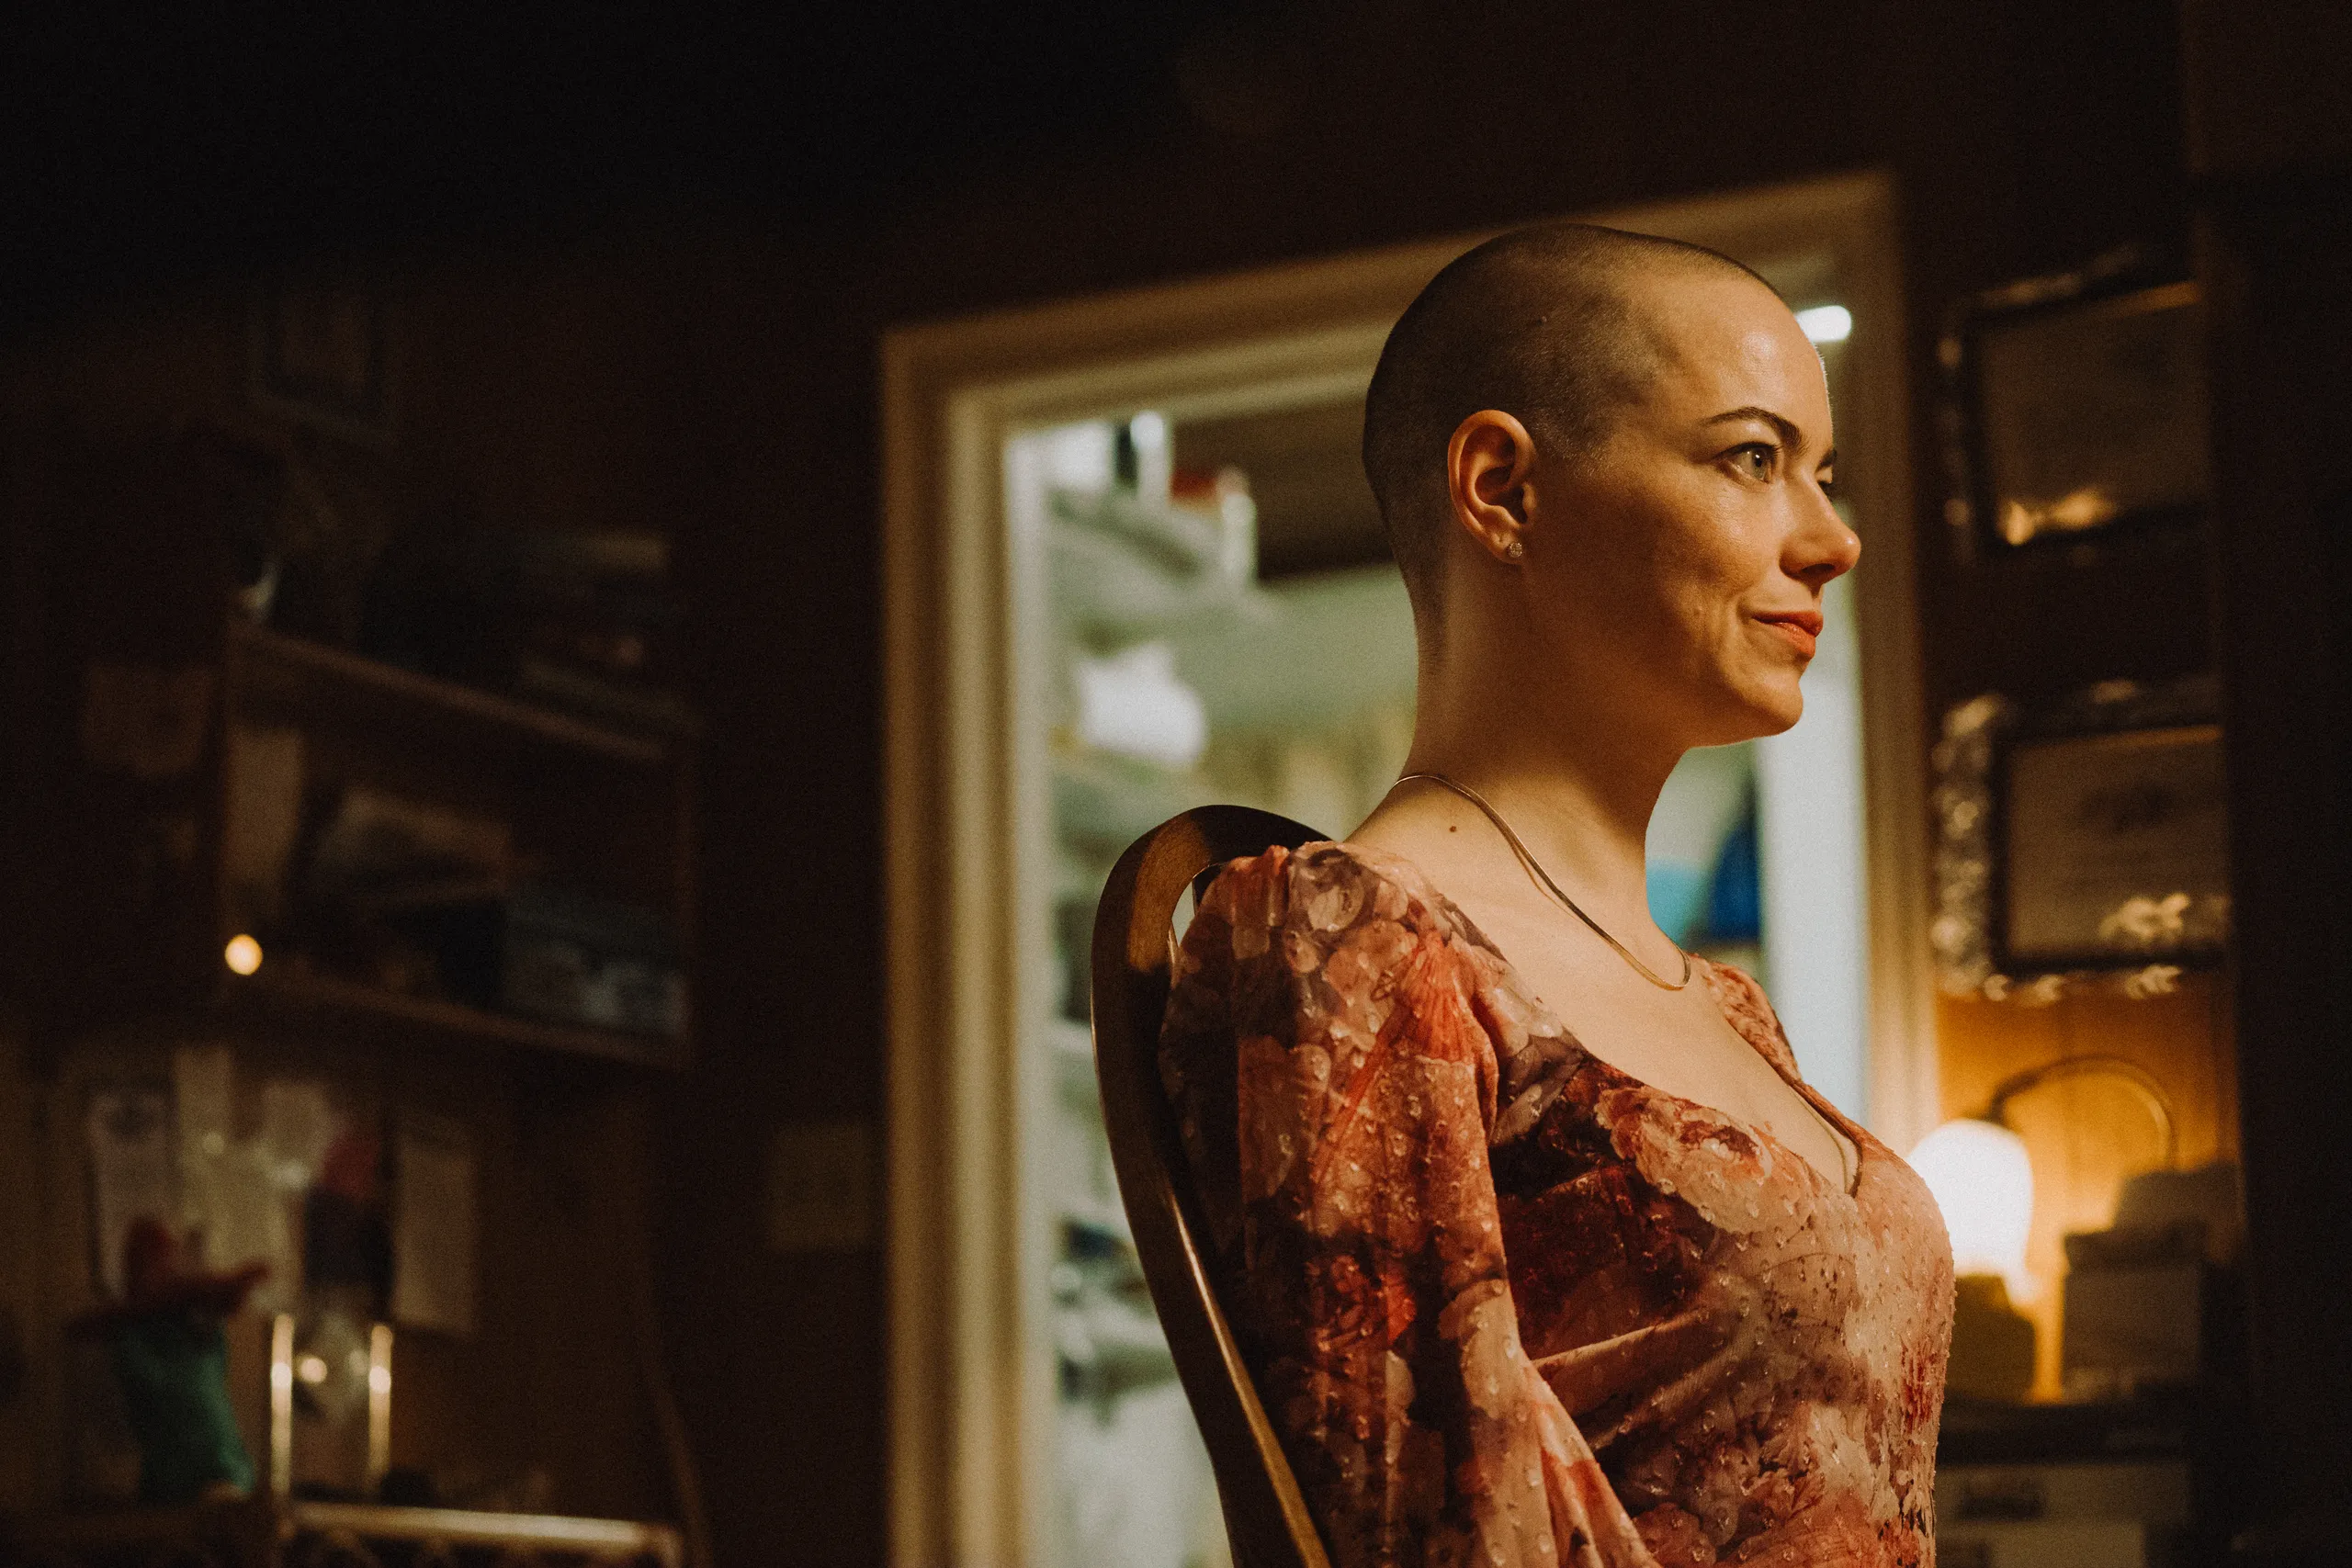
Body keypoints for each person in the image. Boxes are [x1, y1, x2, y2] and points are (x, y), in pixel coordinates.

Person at [1159, 224, 1951, 1568]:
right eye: (1753, 459)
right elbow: (1428, 1535)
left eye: (1824, 472)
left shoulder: (1727, 1008)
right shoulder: (1349, 938)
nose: (1835, 538)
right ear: (1502, 486)